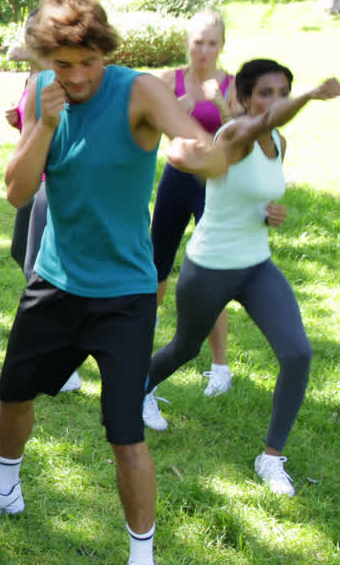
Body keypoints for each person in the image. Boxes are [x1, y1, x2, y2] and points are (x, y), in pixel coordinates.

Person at [0, 0, 265, 565]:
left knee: (124, 433)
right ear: (45, 58)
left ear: (106, 52)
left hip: (124, 294)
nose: (80, 76)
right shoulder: (42, 89)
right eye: (65, 64)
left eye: (90, 62)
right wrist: (42, 124)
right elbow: (16, 192)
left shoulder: (138, 90)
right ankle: (4, 489)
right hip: (56, 281)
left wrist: (200, 153)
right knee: (13, 395)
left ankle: (143, 555)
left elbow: (194, 143)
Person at [142, 61, 338, 496]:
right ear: (246, 100)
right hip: (209, 266)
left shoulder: (279, 142)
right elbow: (266, 121)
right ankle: (141, 388)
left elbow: (249, 190)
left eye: (283, 90)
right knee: (186, 348)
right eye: (266, 92)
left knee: (297, 353)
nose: (276, 99)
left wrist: (269, 214)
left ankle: (270, 457)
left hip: (255, 266)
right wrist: (307, 95)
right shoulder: (232, 136)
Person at [150, 9, 237, 396]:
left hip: (212, 188)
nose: (203, 50)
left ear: (221, 45)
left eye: (211, 43)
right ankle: (141, 342)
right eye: (198, 41)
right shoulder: (170, 80)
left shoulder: (231, 84)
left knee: (212, 275)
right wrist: (173, 112)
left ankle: (219, 366)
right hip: (175, 180)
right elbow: (145, 127)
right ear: (188, 42)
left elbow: (241, 135)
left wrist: (221, 106)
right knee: (156, 266)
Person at [5, 27, 82, 393]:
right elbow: (32, 127)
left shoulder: (61, 80)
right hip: (31, 181)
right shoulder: (35, 79)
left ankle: (64, 362)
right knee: (21, 254)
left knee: (39, 269)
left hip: (52, 186)